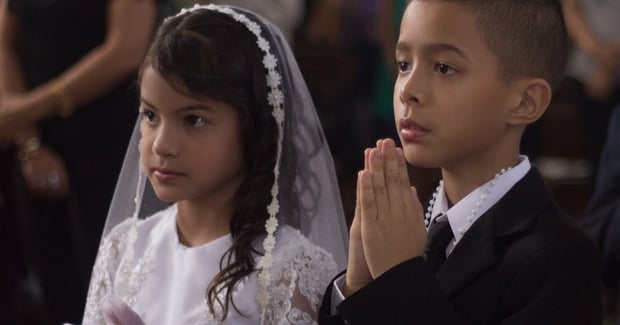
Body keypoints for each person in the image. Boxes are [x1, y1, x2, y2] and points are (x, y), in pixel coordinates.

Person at [319, 0, 602, 324]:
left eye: (443, 68)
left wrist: (399, 277)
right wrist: (358, 286)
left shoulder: (559, 257)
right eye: (403, 64)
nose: (408, 90)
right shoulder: (412, 225)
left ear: (524, 102)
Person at [81, 4, 349, 324]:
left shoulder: (288, 270)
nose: (162, 145)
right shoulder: (123, 247)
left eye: (193, 120)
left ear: (254, 127)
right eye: (151, 116)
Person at [0, 0, 158, 322]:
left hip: (107, 143)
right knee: (50, 279)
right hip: (34, 142)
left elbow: (124, 51)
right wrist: (29, 142)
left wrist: (25, 111)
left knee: (109, 282)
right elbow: (4, 44)